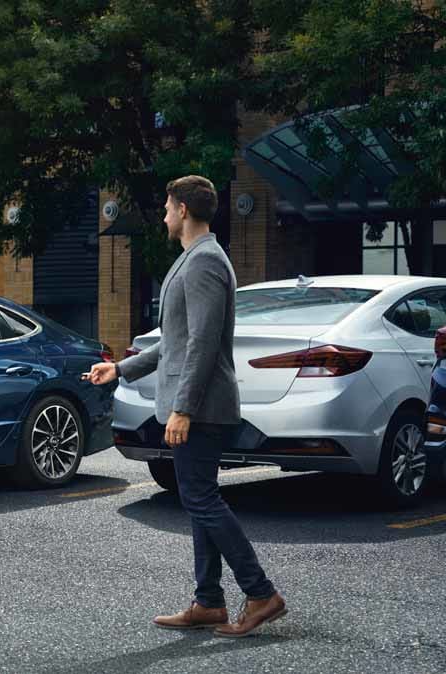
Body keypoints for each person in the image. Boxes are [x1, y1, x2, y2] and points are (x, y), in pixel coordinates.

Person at [86, 176, 287, 638]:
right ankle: (209, 602)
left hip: (203, 407)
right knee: (198, 499)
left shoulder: (204, 263)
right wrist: (121, 368)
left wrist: (183, 408)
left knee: (201, 498)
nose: (163, 214)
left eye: (167, 206)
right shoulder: (194, 259)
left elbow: (201, 344)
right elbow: (176, 343)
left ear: (182, 210)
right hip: (198, 404)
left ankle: (260, 594)